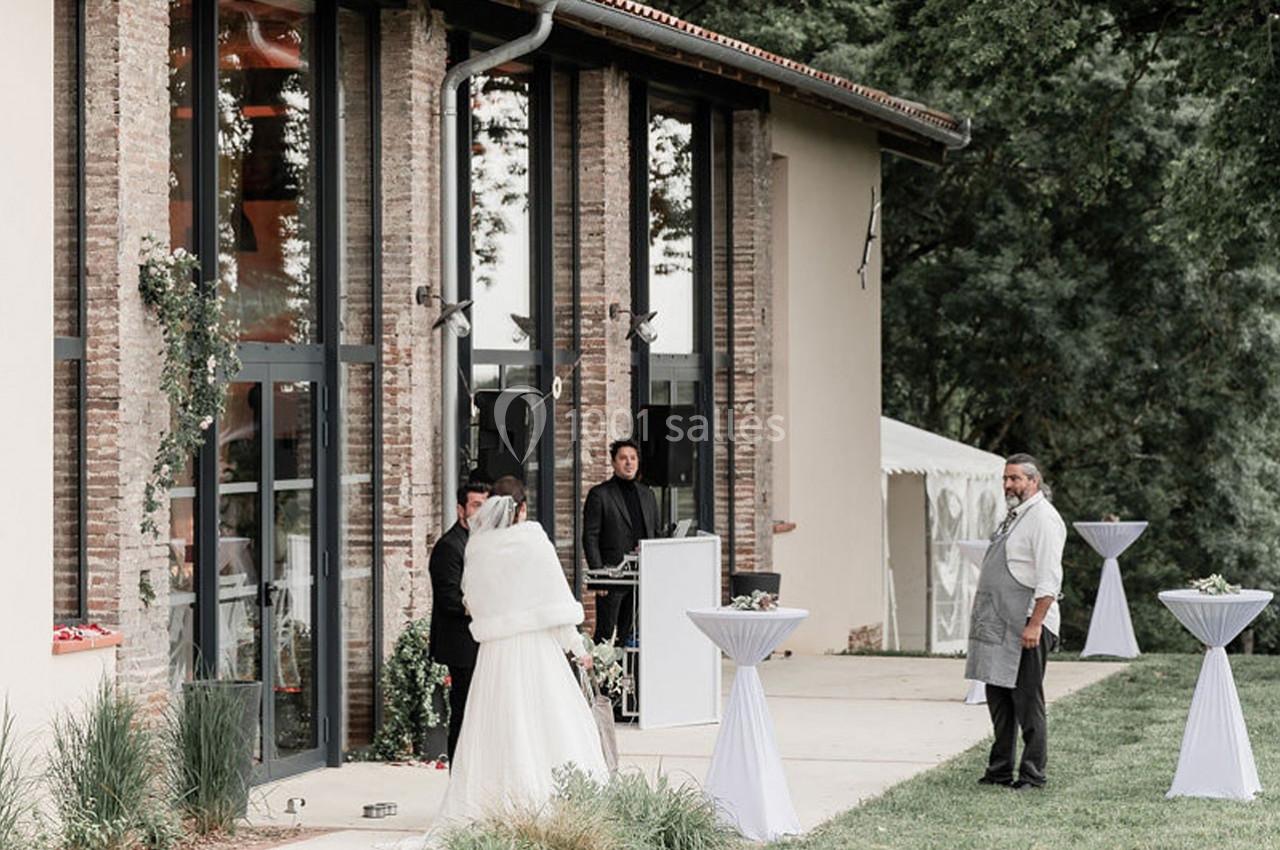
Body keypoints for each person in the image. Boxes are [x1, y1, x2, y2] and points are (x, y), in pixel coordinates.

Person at [435, 476, 607, 825]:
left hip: (494, 653)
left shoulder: (478, 548)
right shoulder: (533, 542)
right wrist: (576, 647)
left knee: (499, 728)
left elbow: (473, 601)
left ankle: (495, 808)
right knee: (546, 722)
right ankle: (549, 807)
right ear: (522, 509)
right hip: (534, 649)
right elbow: (555, 601)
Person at [966, 453, 1066, 790]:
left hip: (1027, 625)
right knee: (999, 697)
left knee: (1026, 699)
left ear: (1033, 481)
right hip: (1000, 622)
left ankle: (1032, 774)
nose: (1008, 485)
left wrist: (1034, 624)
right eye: (1005, 478)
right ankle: (999, 770)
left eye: (1015, 479)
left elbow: (1049, 579)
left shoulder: (1044, 519)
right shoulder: (1014, 516)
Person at [428, 480, 491, 766]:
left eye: (485, 505)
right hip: (462, 646)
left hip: (482, 641)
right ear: (460, 509)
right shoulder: (449, 547)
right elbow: (450, 599)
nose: (480, 511)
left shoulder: (483, 542)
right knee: (464, 713)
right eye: (476, 505)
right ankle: (459, 775)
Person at [582, 439, 659, 645]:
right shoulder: (600, 494)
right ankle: (599, 677)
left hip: (641, 575)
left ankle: (626, 676)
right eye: (623, 458)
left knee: (629, 634)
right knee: (605, 634)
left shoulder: (648, 494)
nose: (629, 463)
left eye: (633, 458)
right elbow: (590, 536)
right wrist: (599, 577)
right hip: (612, 577)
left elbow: (655, 533)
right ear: (614, 463)